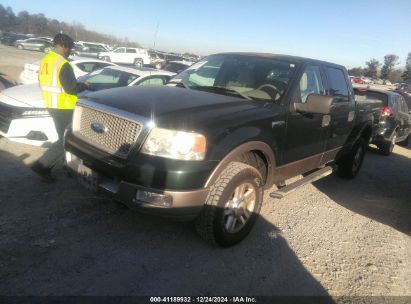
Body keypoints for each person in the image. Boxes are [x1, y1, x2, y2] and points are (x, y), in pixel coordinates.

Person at [31, 33, 89, 182]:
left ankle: (66, 165)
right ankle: (42, 165)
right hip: (64, 106)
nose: (70, 51)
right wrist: (84, 85)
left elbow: (43, 81)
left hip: (51, 104)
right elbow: (71, 87)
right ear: (64, 46)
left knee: (63, 137)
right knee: (66, 139)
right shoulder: (63, 63)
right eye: (69, 48)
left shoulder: (47, 60)